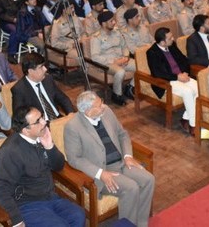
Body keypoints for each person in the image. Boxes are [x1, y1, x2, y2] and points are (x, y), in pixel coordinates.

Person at [65, 91, 155, 227]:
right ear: (88, 111)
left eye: (101, 102)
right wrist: (100, 173)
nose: (103, 106)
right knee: (131, 188)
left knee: (148, 179)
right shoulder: (73, 127)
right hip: (103, 170)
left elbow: (122, 134)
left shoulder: (106, 111)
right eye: (99, 106)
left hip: (121, 162)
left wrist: (128, 156)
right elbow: (74, 159)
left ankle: (141, 224)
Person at [0, 105, 86, 227]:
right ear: (26, 130)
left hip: (50, 197)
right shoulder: (10, 152)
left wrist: (50, 147)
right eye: (38, 121)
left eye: (42, 117)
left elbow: (59, 166)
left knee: (78, 215)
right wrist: (16, 219)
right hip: (27, 204)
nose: (44, 122)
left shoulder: (41, 136)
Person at [147, 27, 198, 135]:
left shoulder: (172, 45)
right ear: (162, 42)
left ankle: (185, 118)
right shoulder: (152, 52)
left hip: (181, 76)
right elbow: (158, 73)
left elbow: (184, 59)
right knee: (188, 91)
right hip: (168, 81)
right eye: (170, 38)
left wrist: (185, 72)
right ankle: (193, 125)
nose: (173, 39)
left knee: (199, 88)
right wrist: (177, 77)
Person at [91, 11, 135, 105]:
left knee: (140, 65)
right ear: (104, 23)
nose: (114, 22)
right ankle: (116, 95)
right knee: (120, 72)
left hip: (122, 59)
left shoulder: (117, 32)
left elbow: (124, 47)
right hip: (107, 63)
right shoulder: (96, 37)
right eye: (111, 21)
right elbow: (95, 57)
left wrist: (126, 57)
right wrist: (114, 61)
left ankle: (130, 88)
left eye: (114, 20)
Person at [11, 53, 74, 118]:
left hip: (58, 118)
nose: (45, 69)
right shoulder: (19, 90)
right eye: (41, 67)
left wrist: (70, 113)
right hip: (41, 122)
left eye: (44, 65)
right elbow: (19, 116)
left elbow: (63, 99)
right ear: (30, 71)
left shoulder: (48, 79)